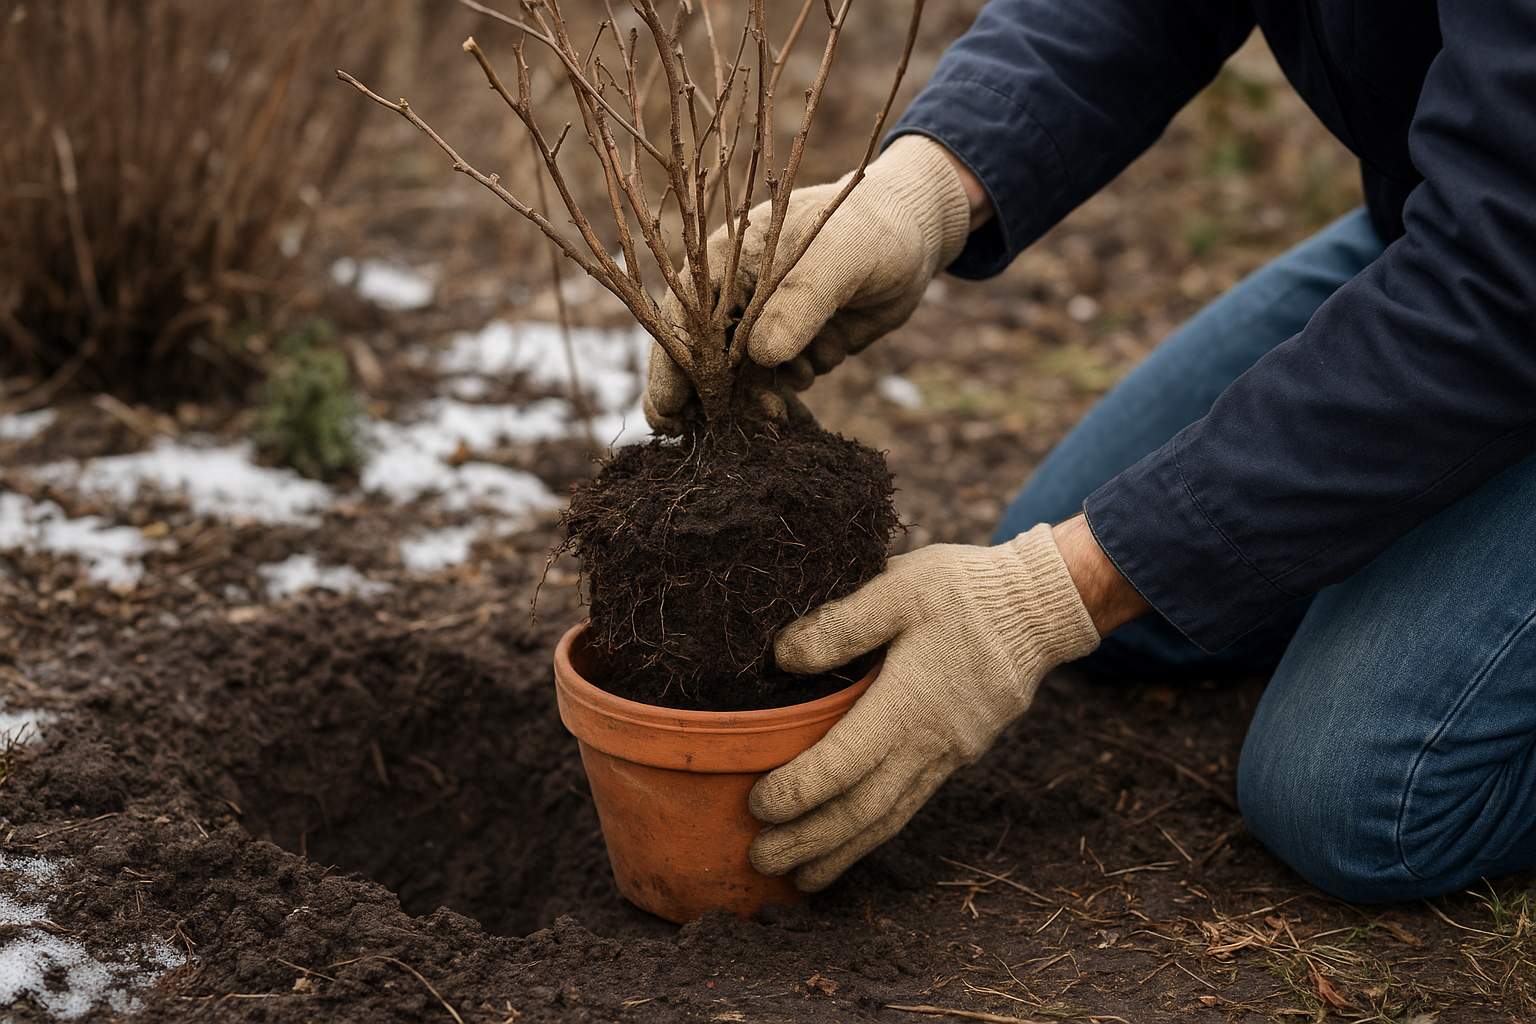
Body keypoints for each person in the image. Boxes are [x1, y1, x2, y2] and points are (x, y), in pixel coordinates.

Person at [645, 0, 1536, 902]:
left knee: (1360, 799)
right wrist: (918, 193)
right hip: (1450, 225)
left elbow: (1506, 277)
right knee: (1106, 570)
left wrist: (1052, 592)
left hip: (1504, 270)